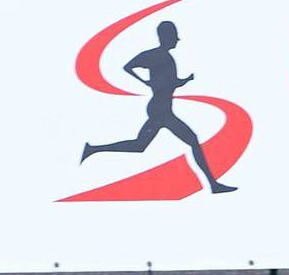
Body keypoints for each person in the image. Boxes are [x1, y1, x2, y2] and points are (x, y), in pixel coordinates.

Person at [81, 20, 237, 195]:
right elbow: (128, 66)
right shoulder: (155, 55)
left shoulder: (167, 58)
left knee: (139, 146)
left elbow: (171, 83)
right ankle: (213, 185)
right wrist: (145, 82)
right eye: (174, 37)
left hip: (162, 109)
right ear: (166, 37)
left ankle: (93, 149)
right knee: (192, 140)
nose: (177, 40)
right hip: (160, 110)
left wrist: (184, 80)